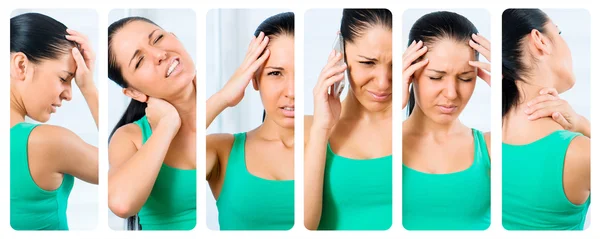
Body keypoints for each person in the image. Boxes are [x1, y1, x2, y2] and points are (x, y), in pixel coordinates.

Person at [401, 11, 492, 230]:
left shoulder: (491, 147)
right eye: (436, 77)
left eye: (465, 78)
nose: (451, 93)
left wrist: (510, 95)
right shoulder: (383, 141)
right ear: (410, 72)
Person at [502, 8, 590, 230]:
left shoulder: (477, 146)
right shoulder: (580, 152)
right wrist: (584, 126)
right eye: (558, 33)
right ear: (539, 41)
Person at [304, 9, 392, 230]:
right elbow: (303, 226)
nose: (383, 83)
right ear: (340, 50)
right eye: (368, 63)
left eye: (394, 65)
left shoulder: (420, 130)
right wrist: (321, 130)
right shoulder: (310, 130)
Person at [206, 12, 295, 230]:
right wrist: (223, 97)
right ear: (254, 79)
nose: (292, 92)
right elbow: (164, 165)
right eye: (275, 73)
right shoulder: (222, 151)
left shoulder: (336, 144)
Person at [10, 12, 99, 230]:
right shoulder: (46, 143)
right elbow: (123, 171)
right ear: (21, 65)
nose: (69, 94)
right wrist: (88, 87)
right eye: (63, 79)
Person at [107, 16, 197, 230]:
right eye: (139, 61)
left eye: (158, 39)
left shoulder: (229, 103)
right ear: (134, 92)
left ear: (174, 37)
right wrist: (167, 125)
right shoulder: (130, 138)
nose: (159, 54)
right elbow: (122, 203)